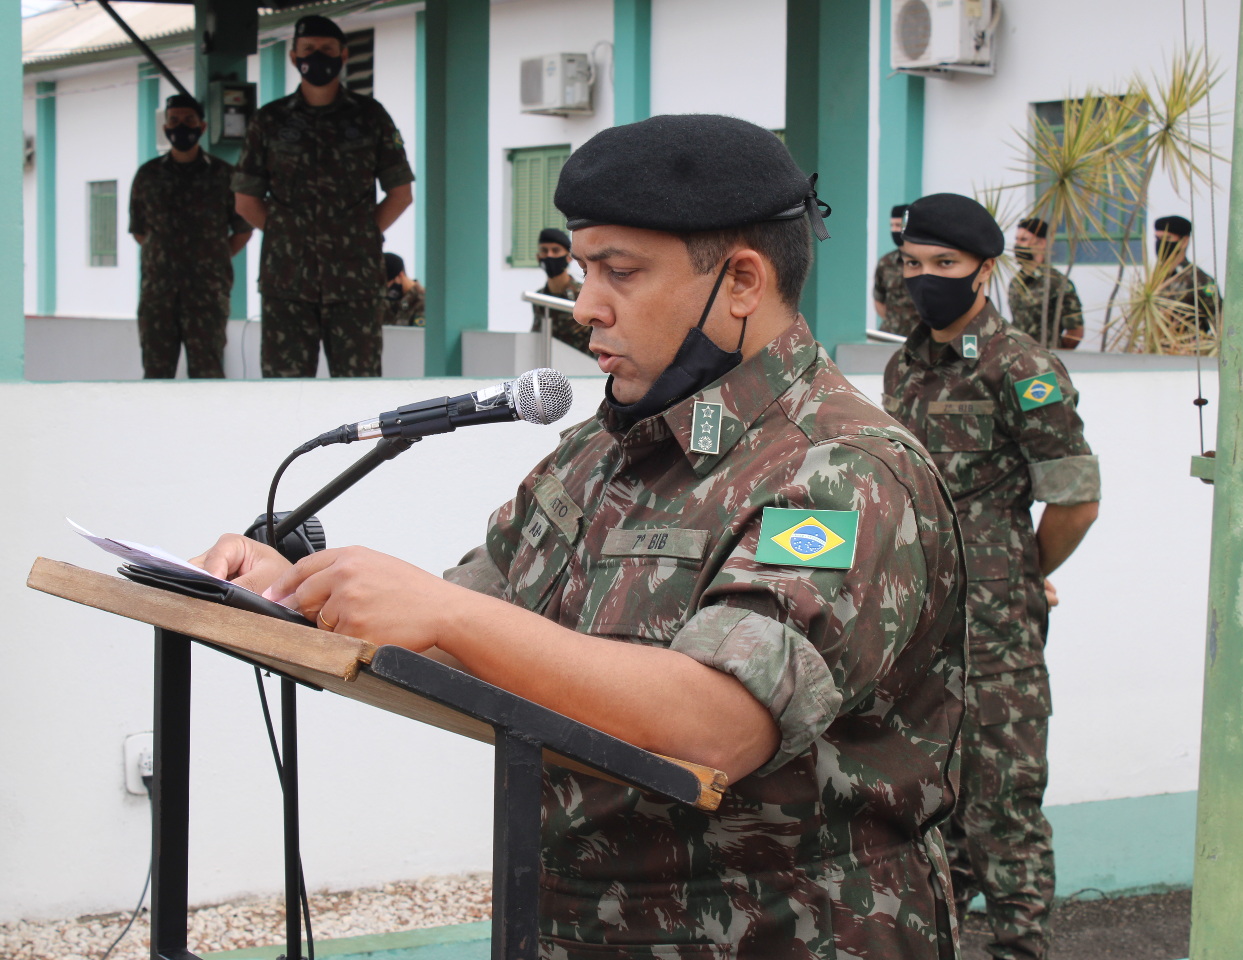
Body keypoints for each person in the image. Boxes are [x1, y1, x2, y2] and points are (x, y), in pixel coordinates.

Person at [195, 115, 967, 959]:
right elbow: (465, 632)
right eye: (582, 266)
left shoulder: (841, 473)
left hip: (783, 934)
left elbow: (716, 726)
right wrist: (291, 593)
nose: (584, 304)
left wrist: (441, 616)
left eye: (619, 273)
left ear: (741, 281)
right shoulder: (602, 453)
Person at [882, 193, 1101, 960]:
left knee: (1004, 814)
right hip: (918, 630)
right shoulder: (904, 365)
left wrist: (1020, 573)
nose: (925, 278)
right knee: (929, 819)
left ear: (983, 270)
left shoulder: (1024, 368)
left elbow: (1075, 499)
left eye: (944, 265)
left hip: (997, 634)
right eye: (914, 264)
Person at [232, 14, 414, 378]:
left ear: (344, 55)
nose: (317, 56)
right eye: (309, 49)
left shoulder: (370, 117)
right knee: (283, 391)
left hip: (355, 286)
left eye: (327, 50)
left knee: (358, 391)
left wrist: (357, 235)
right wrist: (291, 235)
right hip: (286, 284)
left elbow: (400, 193)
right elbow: (245, 201)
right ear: (293, 56)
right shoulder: (269, 121)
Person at [128, 93, 253, 378]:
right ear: (165, 127)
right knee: (156, 374)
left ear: (203, 127)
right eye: (174, 120)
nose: (180, 126)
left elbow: (242, 231)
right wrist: (167, 257)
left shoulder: (223, 175)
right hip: (158, 296)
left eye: (188, 120)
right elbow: (139, 231)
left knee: (207, 374)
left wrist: (210, 258)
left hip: (206, 295)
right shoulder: (148, 175)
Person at [1007, 218, 1084, 349]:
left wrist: (1054, 356)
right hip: (1018, 358)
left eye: (1024, 240)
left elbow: (1075, 333)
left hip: (1045, 360)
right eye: (1017, 239)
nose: (1017, 245)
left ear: (1042, 243)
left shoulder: (1056, 282)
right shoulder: (1016, 281)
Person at [1152, 215, 1222, 337]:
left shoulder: (1202, 281)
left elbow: (1219, 321)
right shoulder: (1153, 280)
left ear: (1184, 242)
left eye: (1167, 238)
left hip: (1187, 352)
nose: (1160, 244)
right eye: (1157, 238)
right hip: (1155, 352)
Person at [529, 227, 589, 354]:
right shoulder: (539, 298)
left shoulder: (584, 295)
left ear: (569, 257)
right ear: (538, 257)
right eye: (544, 251)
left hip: (582, 368)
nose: (549, 255)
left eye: (555, 251)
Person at [872, 203, 920, 337]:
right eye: (892, 226)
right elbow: (879, 300)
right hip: (891, 335)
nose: (894, 231)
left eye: (898, 226)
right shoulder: (886, 262)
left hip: (920, 337)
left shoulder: (926, 262)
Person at [381, 253, 425, 326]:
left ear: (401, 275)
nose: (387, 290)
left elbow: (419, 335)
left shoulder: (423, 302)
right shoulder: (386, 302)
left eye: (388, 285)